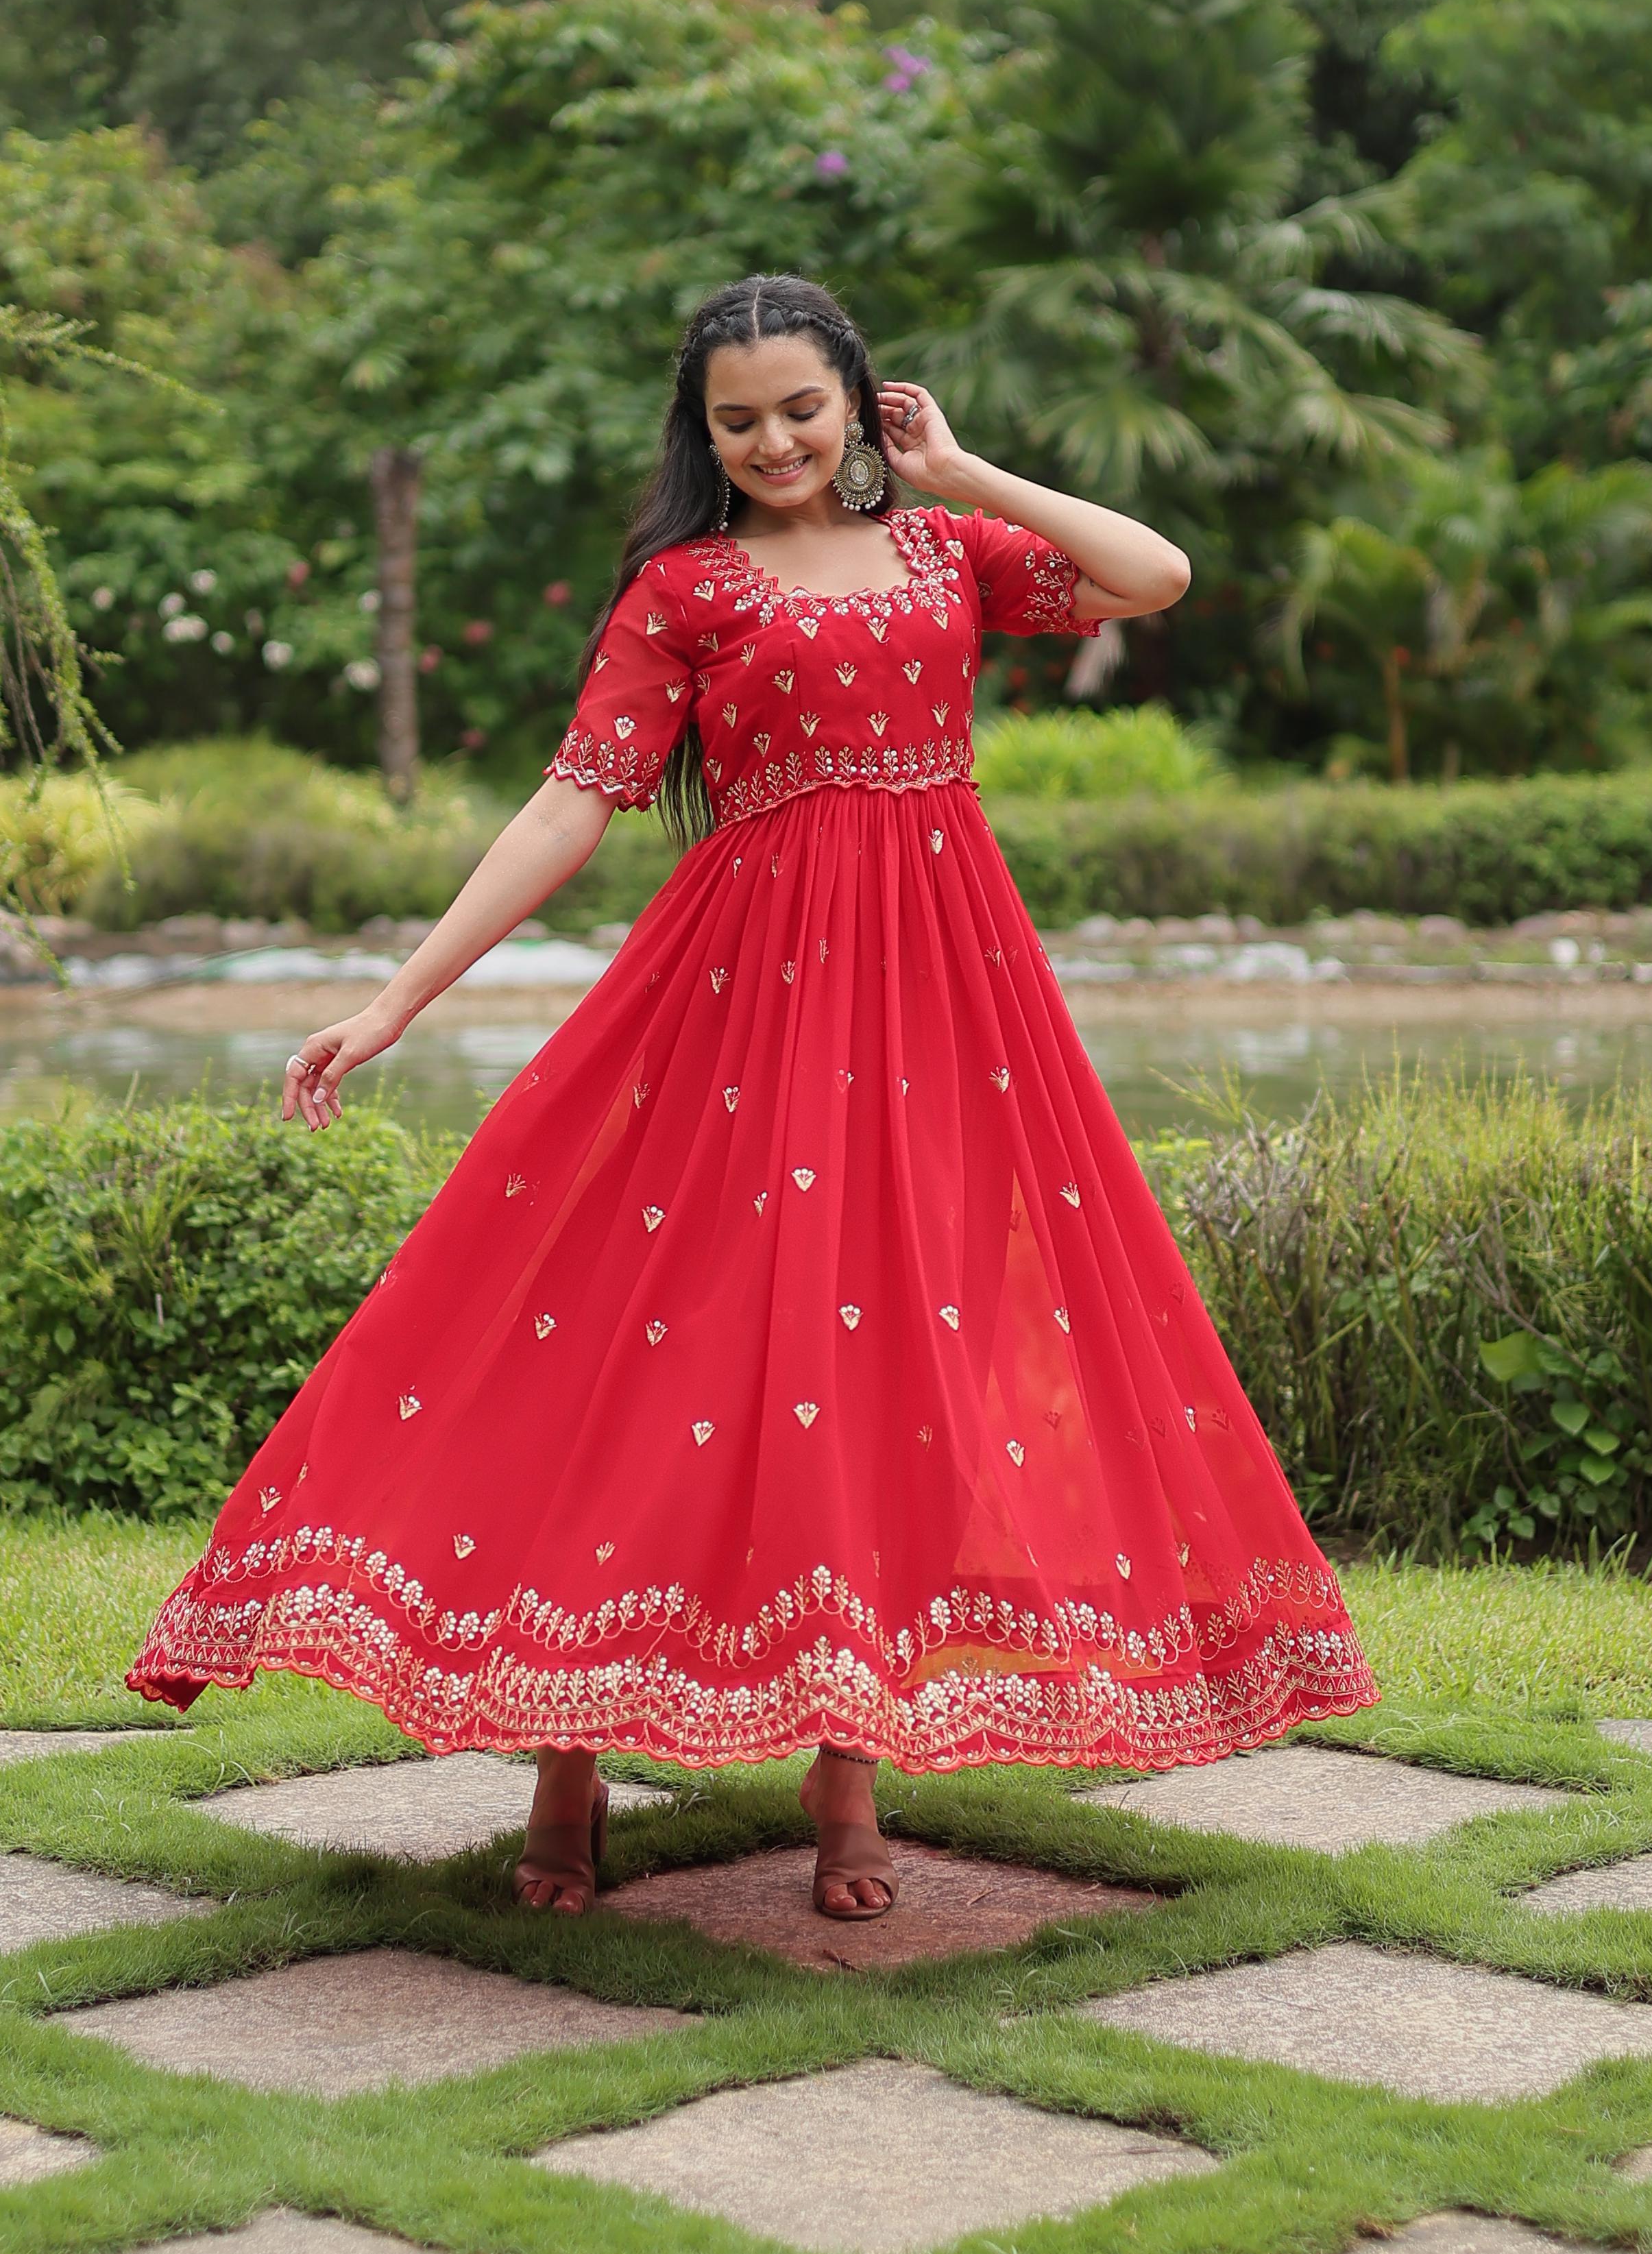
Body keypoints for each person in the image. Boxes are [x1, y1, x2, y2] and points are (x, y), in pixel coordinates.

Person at [127, 275, 1378, 1922]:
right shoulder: (686, 588)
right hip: (739, 1007)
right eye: (738, 418)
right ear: (702, 432)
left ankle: (847, 1786)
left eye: (803, 406)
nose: (775, 440)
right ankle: (566, 1763)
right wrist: (391, 1003)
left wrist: (969, 473)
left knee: (872, 1351)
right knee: (656, 1338)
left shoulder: (946, 552)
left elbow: (1155, 573)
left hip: (943, 998)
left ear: (860, 402)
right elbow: (573, 806)